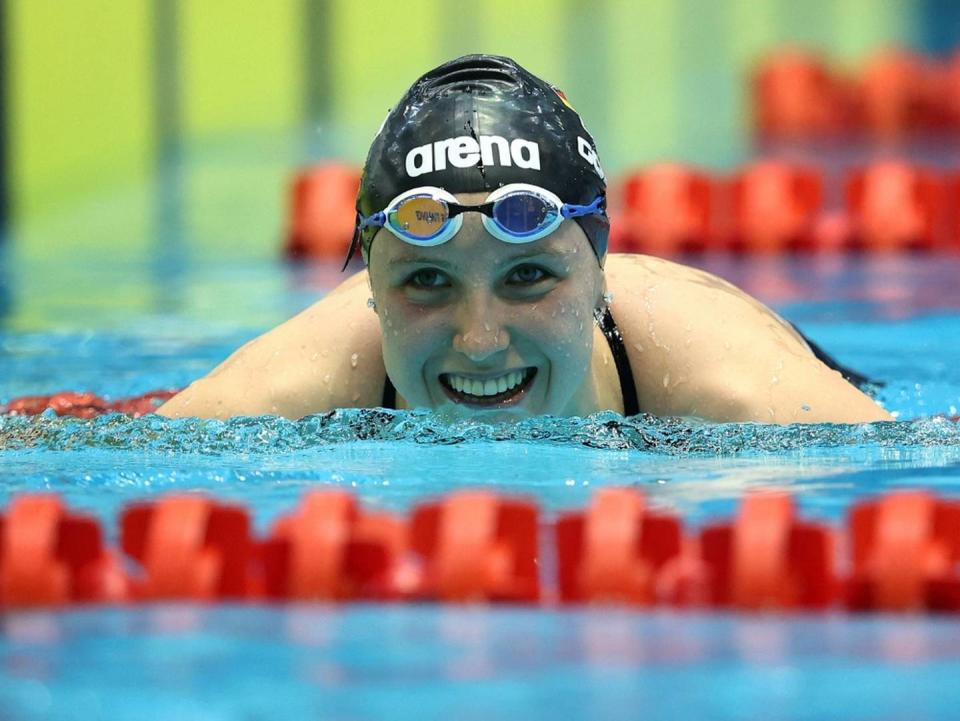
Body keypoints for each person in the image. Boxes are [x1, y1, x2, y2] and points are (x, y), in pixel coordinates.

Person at [157, 55, 891, 425]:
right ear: (370, 291)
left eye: (528, 277)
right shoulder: (283, 392)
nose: (479, 340)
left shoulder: (739, 391)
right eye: (427, 281)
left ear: (600, 273)